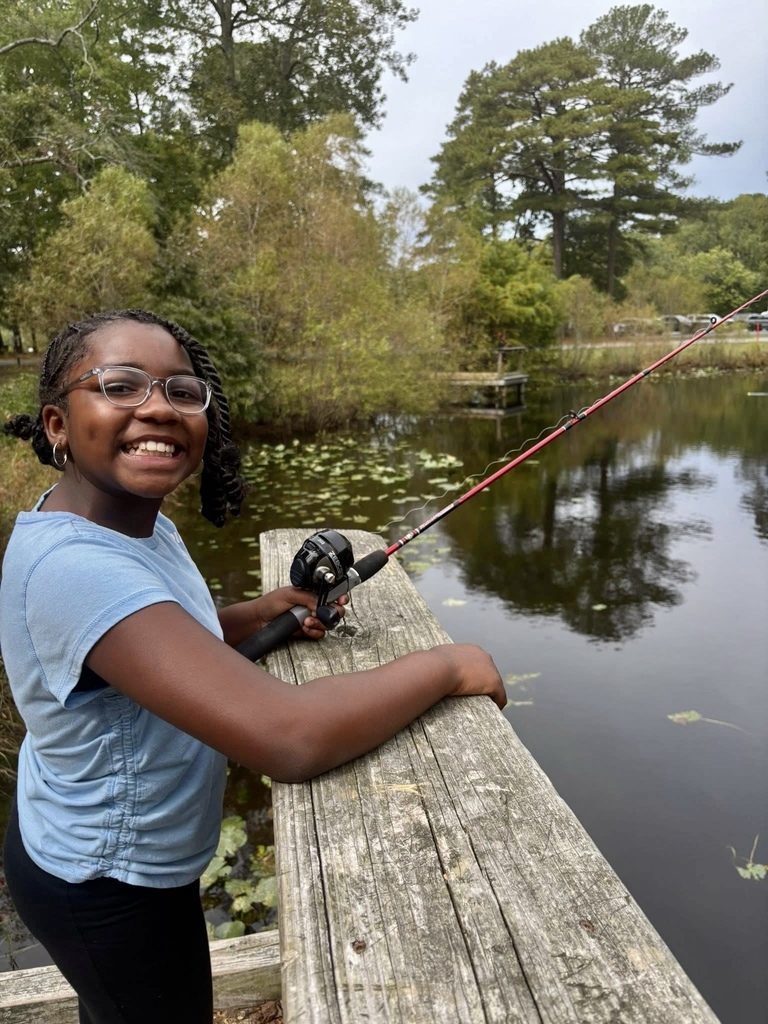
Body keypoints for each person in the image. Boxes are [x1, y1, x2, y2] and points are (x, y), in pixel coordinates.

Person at [0, 309, 505, 1024]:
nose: (157, 407)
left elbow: (164, 636)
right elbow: (289, 736)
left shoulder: (122, 520)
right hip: (107, 881)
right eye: (119, 385)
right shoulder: (77, 568)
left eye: (181, 390)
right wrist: (449, 667)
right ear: (57, 423)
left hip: (82, 842)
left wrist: (265, 609)